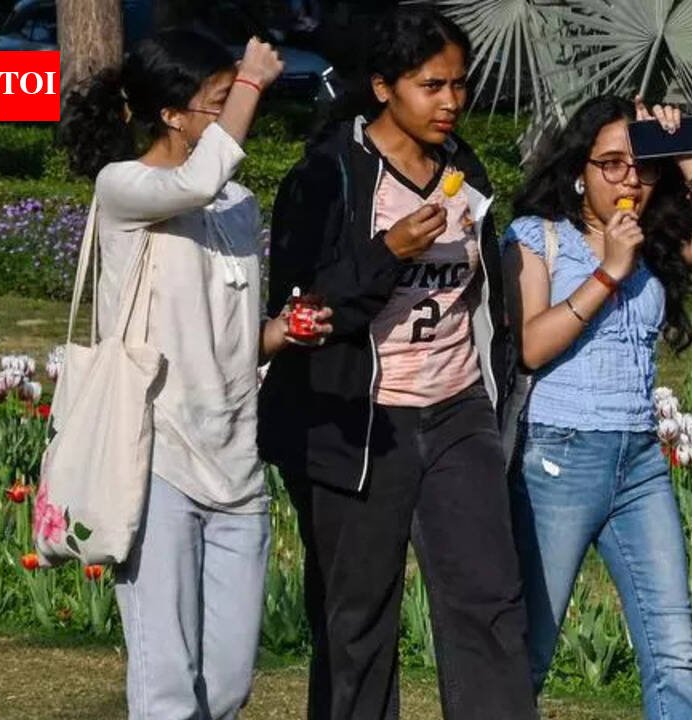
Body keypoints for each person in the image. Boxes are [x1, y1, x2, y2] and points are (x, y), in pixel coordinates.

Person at [257, 5, 535, 719]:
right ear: (383, 87)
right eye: (431, 86)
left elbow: (480, 293)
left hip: (458, 411)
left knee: (488, 602)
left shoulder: (464, 168)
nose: (451, 102)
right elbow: (302, 313)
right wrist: (388, 253)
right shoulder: (329, 175)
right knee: (356, 620)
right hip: (359, 423)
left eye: (459, 84)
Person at [59, 29, 330, 719]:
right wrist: (253, 80)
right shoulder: (125, 188)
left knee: (228, 685)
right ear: (172, 114)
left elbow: (231, 335)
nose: (235, 113)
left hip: (235, 463)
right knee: (168, 687)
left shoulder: (237, 206)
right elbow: (194, 182)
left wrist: (283, 332)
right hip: (157, 460)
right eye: (219, 100)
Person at [502, 94, 692, 719]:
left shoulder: (654, 242)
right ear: (578, 169)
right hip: (558, 457)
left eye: (643, 167)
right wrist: (609, 271)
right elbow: (531, 346)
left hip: (638, 459)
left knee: (674, 650)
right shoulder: (538, 237)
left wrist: (687, 152)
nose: (628, 181)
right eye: (610, 164)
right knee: (533, 646)